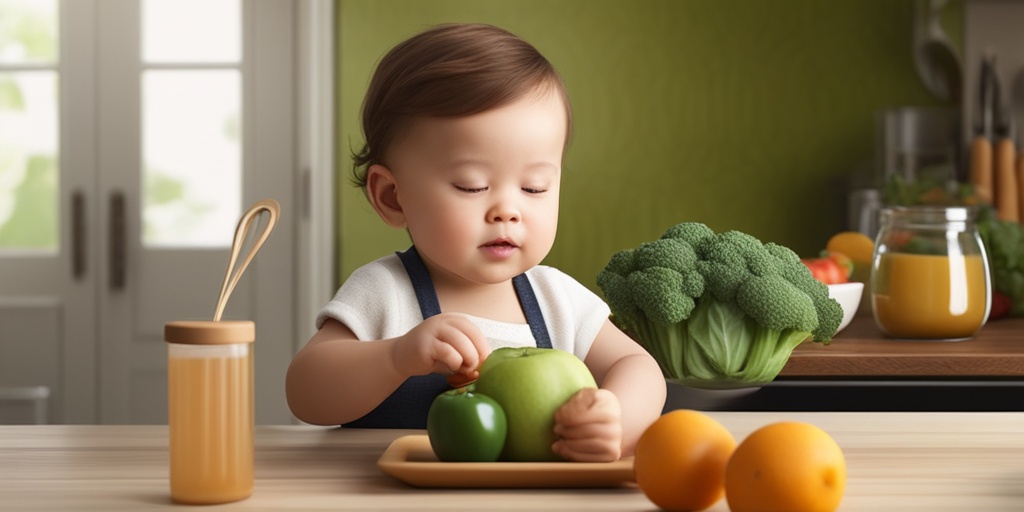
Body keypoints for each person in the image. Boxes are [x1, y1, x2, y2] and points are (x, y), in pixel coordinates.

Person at [285, 23, 665, 462]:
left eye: (535, 187)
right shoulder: (385, 291)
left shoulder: (554, 299)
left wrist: (616, 419)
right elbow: (305, 391)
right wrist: (396, 357)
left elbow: (640, 368)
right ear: (392, 196)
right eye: (471, 186)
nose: (508, 210)